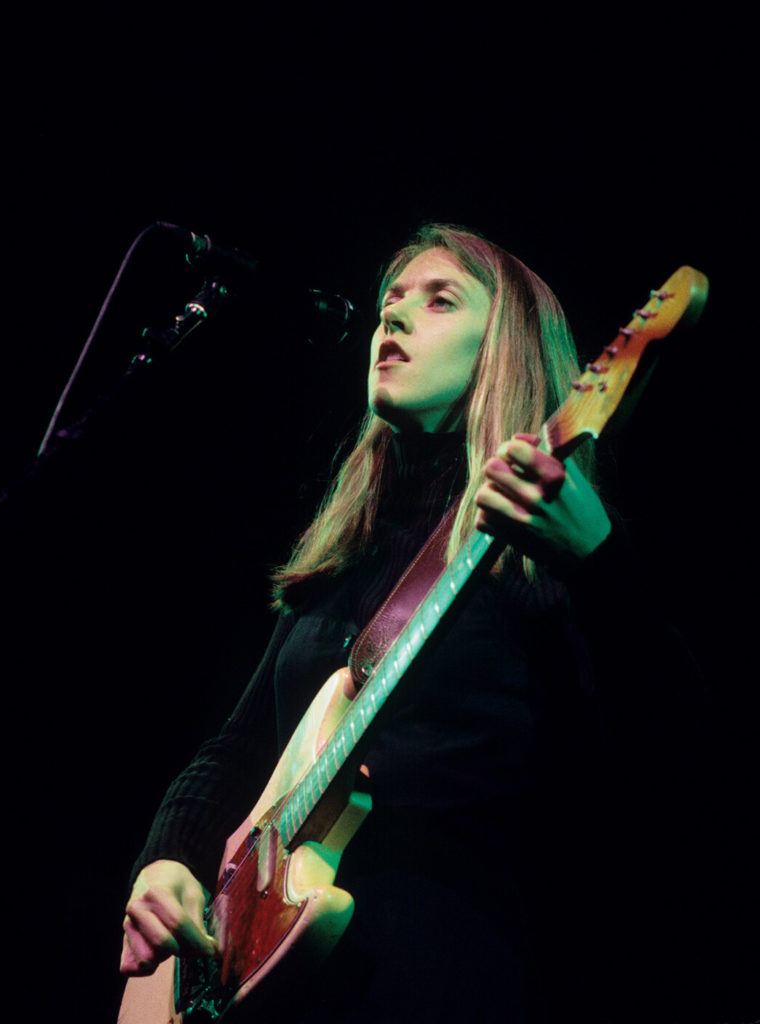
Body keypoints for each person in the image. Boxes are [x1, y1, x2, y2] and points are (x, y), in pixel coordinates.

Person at [119, 224, 664, 1022]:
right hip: (254, 981)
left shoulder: (550, 555)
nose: (394, 319)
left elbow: (671, 756)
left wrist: (598, 567)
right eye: (389, 303)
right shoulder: (346, 560)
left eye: (439, 300)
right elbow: (235, 752)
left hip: (431, 973)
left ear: (503, 351)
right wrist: (166, 859)